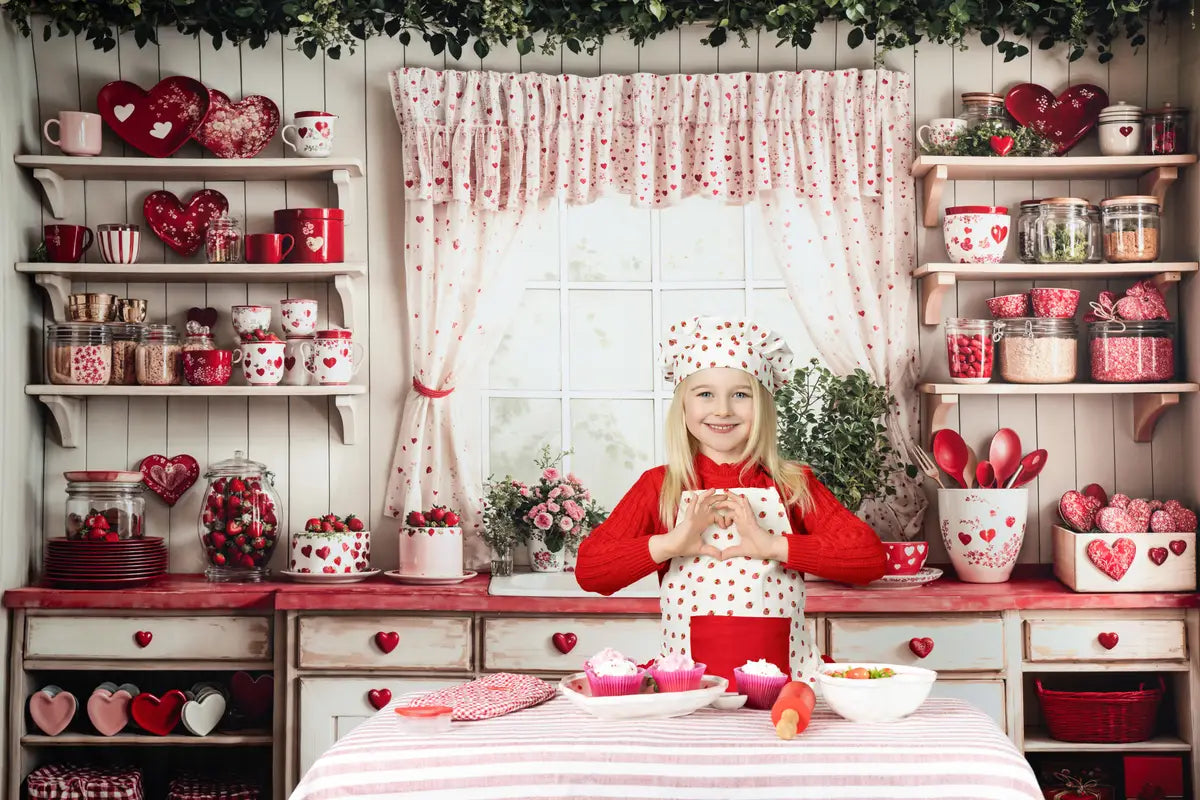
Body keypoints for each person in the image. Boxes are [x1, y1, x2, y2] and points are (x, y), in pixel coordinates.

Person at [575, 316, 886, 686]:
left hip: (786, 690)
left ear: (763, 406)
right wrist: (673, 543)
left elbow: (870, 558)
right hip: (689, 693)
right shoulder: (661, 486)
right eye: (705, 393)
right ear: (683, 406)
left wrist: (773, 545)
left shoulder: (792, 485)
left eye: (741, 394)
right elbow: (591, 571)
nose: (722, 409)